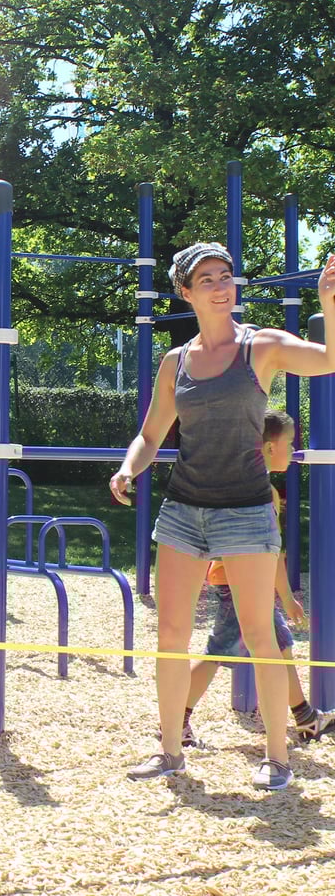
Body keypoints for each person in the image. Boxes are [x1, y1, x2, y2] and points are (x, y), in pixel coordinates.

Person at [110, 242, 335, 792]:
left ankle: (278, 758)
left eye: (226, 275)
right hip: (185, 508)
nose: (221, 285)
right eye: (206, 278)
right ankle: (169, 752)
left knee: (262, 635)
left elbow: (329, 359)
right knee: (169, 632)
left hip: (246, 509)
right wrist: (128, 468)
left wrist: (329, 305)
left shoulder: (261, 346)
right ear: (185, 292)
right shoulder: (175, 362)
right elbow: (151, 433)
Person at [176, 409, 335, 746]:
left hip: (237, 580)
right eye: (289, 444)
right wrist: (288, 597)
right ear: (266, 447)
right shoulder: (262, 491)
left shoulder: (237, 481)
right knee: (219, 652)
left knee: (280, 647)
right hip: (240, 582)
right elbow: (271, 554)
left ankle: (306, 718)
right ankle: (175, 722)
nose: (293, 452)